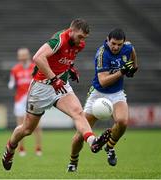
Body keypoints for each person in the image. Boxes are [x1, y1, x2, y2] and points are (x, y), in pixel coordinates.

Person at [2, 19, 111, 171]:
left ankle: (93, 142)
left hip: (61, 85)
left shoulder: (79, 44)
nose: (82, 41)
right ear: (71, 31)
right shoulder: (59, 39)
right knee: (27, 129)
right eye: (80, 36)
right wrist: (54, 79)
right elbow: (38, 58)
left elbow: (64, 59)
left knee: (78, 113)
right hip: (41, 88)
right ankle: (10, 148)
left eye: (84, 38)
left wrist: (70, 68)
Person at [67, 28, 138, 172]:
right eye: (113, 44)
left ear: (123, 43)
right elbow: (104, 81)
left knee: (123, 122)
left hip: (117, 94)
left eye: (119, 44)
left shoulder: (128, 47)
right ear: (107, 40)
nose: (116, 47)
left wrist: (133, 68)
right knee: (81, 134)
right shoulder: (102, 53)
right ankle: (73, 161)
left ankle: (109, 147)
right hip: (98, 94)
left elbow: (133, 56)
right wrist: (122, 72)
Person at [8, 48, 42, 156]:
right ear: (18, 57)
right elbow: (12, 84)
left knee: (36, 125)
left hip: (33, 98)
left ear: (28, 55)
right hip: (20, 99)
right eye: (20, 55)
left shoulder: (35, 67)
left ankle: (38, 148)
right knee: (20, 125)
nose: (22, 57)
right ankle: (21, 148)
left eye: (24, 55)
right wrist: (11, 85)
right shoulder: (15, 70)